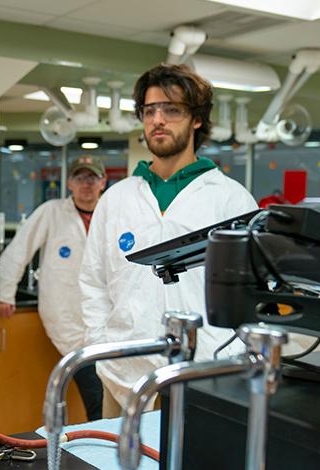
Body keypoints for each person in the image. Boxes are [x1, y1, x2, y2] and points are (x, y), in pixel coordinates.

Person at [79, 63, 258, 417]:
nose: (158, 119)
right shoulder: (117, 199)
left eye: (172, 109)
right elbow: (93, 282)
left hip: (207, 375)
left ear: (195, 120)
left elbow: (250, 294)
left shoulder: (231, 200)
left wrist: (230, 356)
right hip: (123, 375)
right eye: (150, 110)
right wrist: (102, 346)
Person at [0, 156, 107, 421]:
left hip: (105, 317)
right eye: (80, 178)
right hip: (66, 313)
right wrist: (3, 293)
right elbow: (18, 250)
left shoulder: (111, 213)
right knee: (96, 391)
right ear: (69, 183)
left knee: (108, 391)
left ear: (103, 182)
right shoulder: (52, 211)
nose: (86, 184)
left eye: (92, 178)